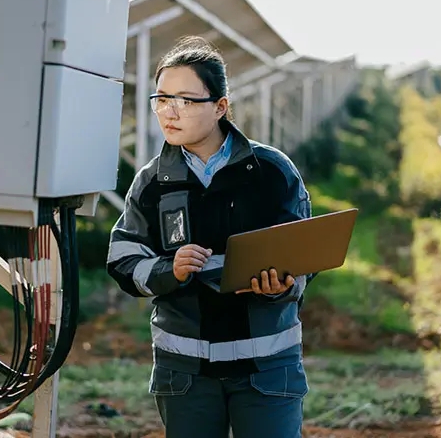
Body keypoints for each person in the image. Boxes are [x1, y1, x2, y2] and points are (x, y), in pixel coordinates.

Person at [106, 36, 317, 438]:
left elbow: (303, 253)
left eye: (185, 100)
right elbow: (122, 259)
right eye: (162, 99)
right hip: (185, 374)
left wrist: (280, 286)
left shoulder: (272, 171)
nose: (170, 112)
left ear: (220, 106)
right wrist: (170, 269)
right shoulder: (151, 182)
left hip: (267, 369)